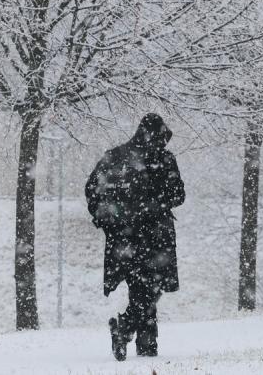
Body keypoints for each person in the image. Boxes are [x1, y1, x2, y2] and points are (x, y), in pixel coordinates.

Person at [85, 113, 185, 361]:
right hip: (152, 236)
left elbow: (92, 189)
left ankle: (141, 341)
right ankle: (134, 335)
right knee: (149, 288)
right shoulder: (161, 159)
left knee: (143, 288)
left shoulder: (117, 157)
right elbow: (178, 195)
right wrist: (155, 204)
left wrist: (106, 217)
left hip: (126, 238)